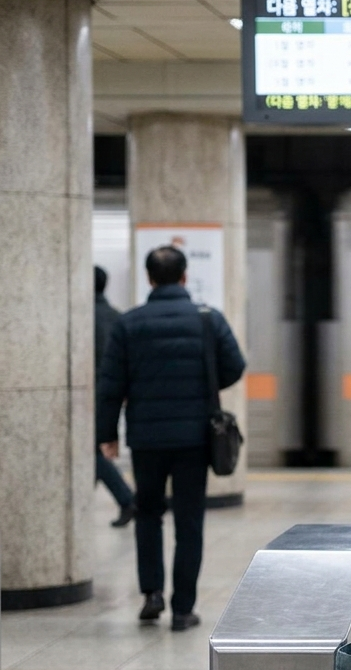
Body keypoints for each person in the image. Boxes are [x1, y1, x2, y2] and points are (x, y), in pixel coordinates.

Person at [97, 246, 245, 632]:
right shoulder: (207, 319)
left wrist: (108, 434)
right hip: (195, 437)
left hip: (146, 438)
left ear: (149, 278)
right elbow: (235, 366)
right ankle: (183, 609)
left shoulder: (129, 324)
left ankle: (151, 595)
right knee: (189, 521)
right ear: (184, 277)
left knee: (148, 514)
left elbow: (111, 385)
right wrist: (206, 384)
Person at [94, 266, 136, 528]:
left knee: (91, 453)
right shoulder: (119, 318)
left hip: (91, 393)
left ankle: (126, 499)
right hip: (113, 393)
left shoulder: (80, 318)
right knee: (93, 452)